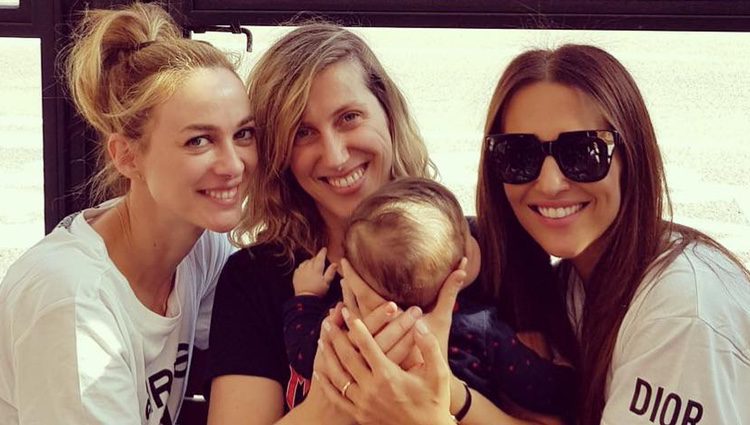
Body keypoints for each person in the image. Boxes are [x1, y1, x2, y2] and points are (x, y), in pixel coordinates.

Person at [206, 22, 545, 425]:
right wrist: (341, 392)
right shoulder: (256, 279)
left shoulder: (485, 249)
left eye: (349, 117)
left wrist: (447, 395)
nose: (334, 156)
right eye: (302, 133)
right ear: (279, 152)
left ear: (388, 113)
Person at [0, 3, 257, 424]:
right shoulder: (72, 302)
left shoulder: (202, 248)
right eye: (198, 141)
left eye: (243, 133)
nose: (233, 165)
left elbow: (252, 344)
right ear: (127, 156)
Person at [474, 44, 750, 424]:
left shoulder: (681, 313)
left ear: (630, 158)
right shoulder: (572, 281)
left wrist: (443, 411)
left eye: (583, 152)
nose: (551, 183)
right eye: (518, 155)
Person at [284, 176, 575, 419]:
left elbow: (303, 350)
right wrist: (568, 376)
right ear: (457, 273)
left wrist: (306, 297)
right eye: (468, 235)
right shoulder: (481, 331)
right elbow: (539, 387)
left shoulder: (351, 328)